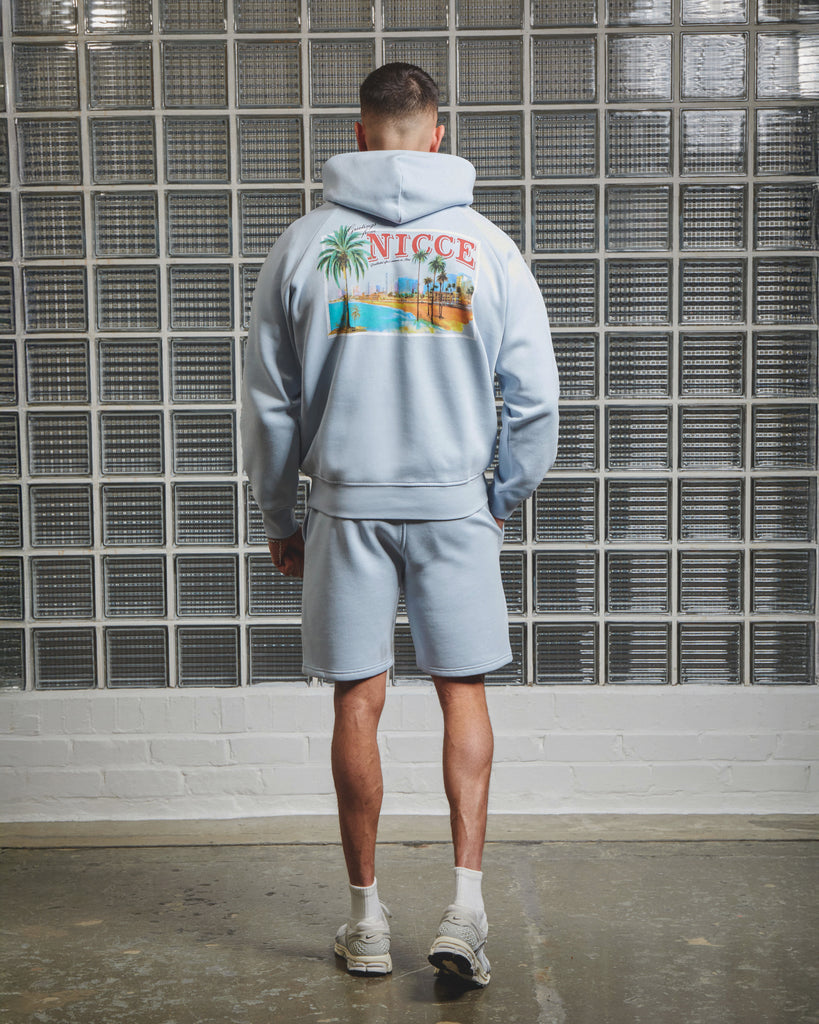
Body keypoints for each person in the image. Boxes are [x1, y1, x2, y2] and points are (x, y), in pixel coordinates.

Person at [241, 63, 559, 987]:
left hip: (345, 506)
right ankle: (467, 911)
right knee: (464, 694)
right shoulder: (488, 247)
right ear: (436, 132)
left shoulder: (303, 245)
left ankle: (366, 921)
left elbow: (269, 405)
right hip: (453, 503)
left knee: (357, 700)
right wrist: (498, 497)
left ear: (358, 132)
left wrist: (279, 514)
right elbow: (534, 399)